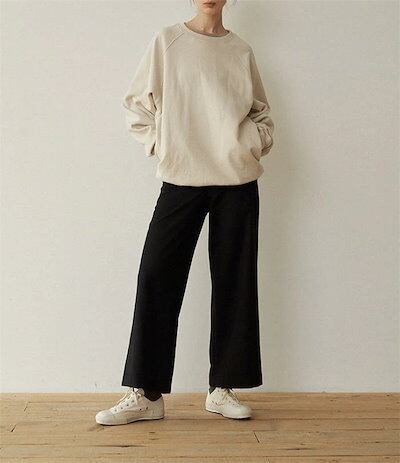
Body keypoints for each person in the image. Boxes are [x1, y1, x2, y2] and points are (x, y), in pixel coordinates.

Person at [95, 0, 274, 425]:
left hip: (237, 180)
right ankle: (146, 394)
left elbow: (262, 114)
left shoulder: (240, 50)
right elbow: (136, 105)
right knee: (157, 276)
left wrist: (249, 144)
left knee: (234, 281)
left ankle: (222, 387)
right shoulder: (168, 42)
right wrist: (165, 145)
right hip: (182, 177)